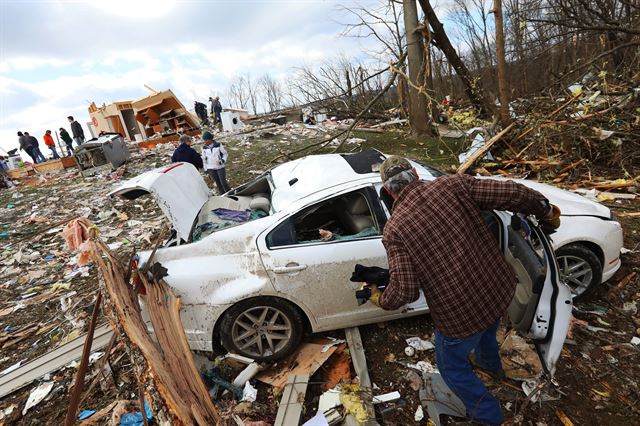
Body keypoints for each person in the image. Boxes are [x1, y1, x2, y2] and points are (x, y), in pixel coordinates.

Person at [366, 156, 561, 426]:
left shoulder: (395, 229)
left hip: (459, 316)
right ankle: (492, 368)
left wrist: (380, 298)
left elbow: (405, 292)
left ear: (388, 191)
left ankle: (489, 416)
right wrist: (545, 209)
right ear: (415, 174)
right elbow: (513, 192)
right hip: (496, 290)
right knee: (487, 332)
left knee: (452, 368)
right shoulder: (453, 186)